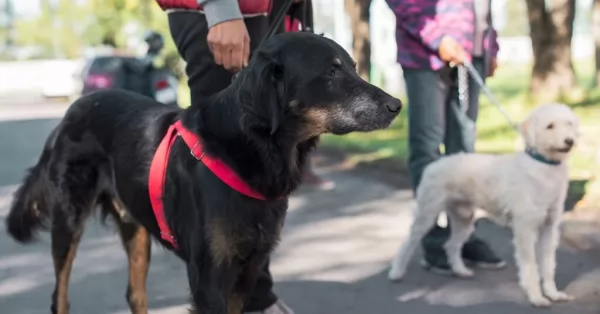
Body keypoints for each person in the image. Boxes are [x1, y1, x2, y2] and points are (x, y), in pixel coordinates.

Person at [154, 0, 296, 313]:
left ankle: (256, 297)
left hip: (264, 12)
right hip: (223, 14)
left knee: (264, 170)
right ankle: (236, 300)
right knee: (222, 178)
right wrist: (220, 9)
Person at [385, 0, 507, 274]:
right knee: (427, 148)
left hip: (473, 53)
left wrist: (490, 46)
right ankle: (433, 239)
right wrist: (437, 38)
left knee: (464, 152)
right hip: (425, 54)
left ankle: (462, 236)